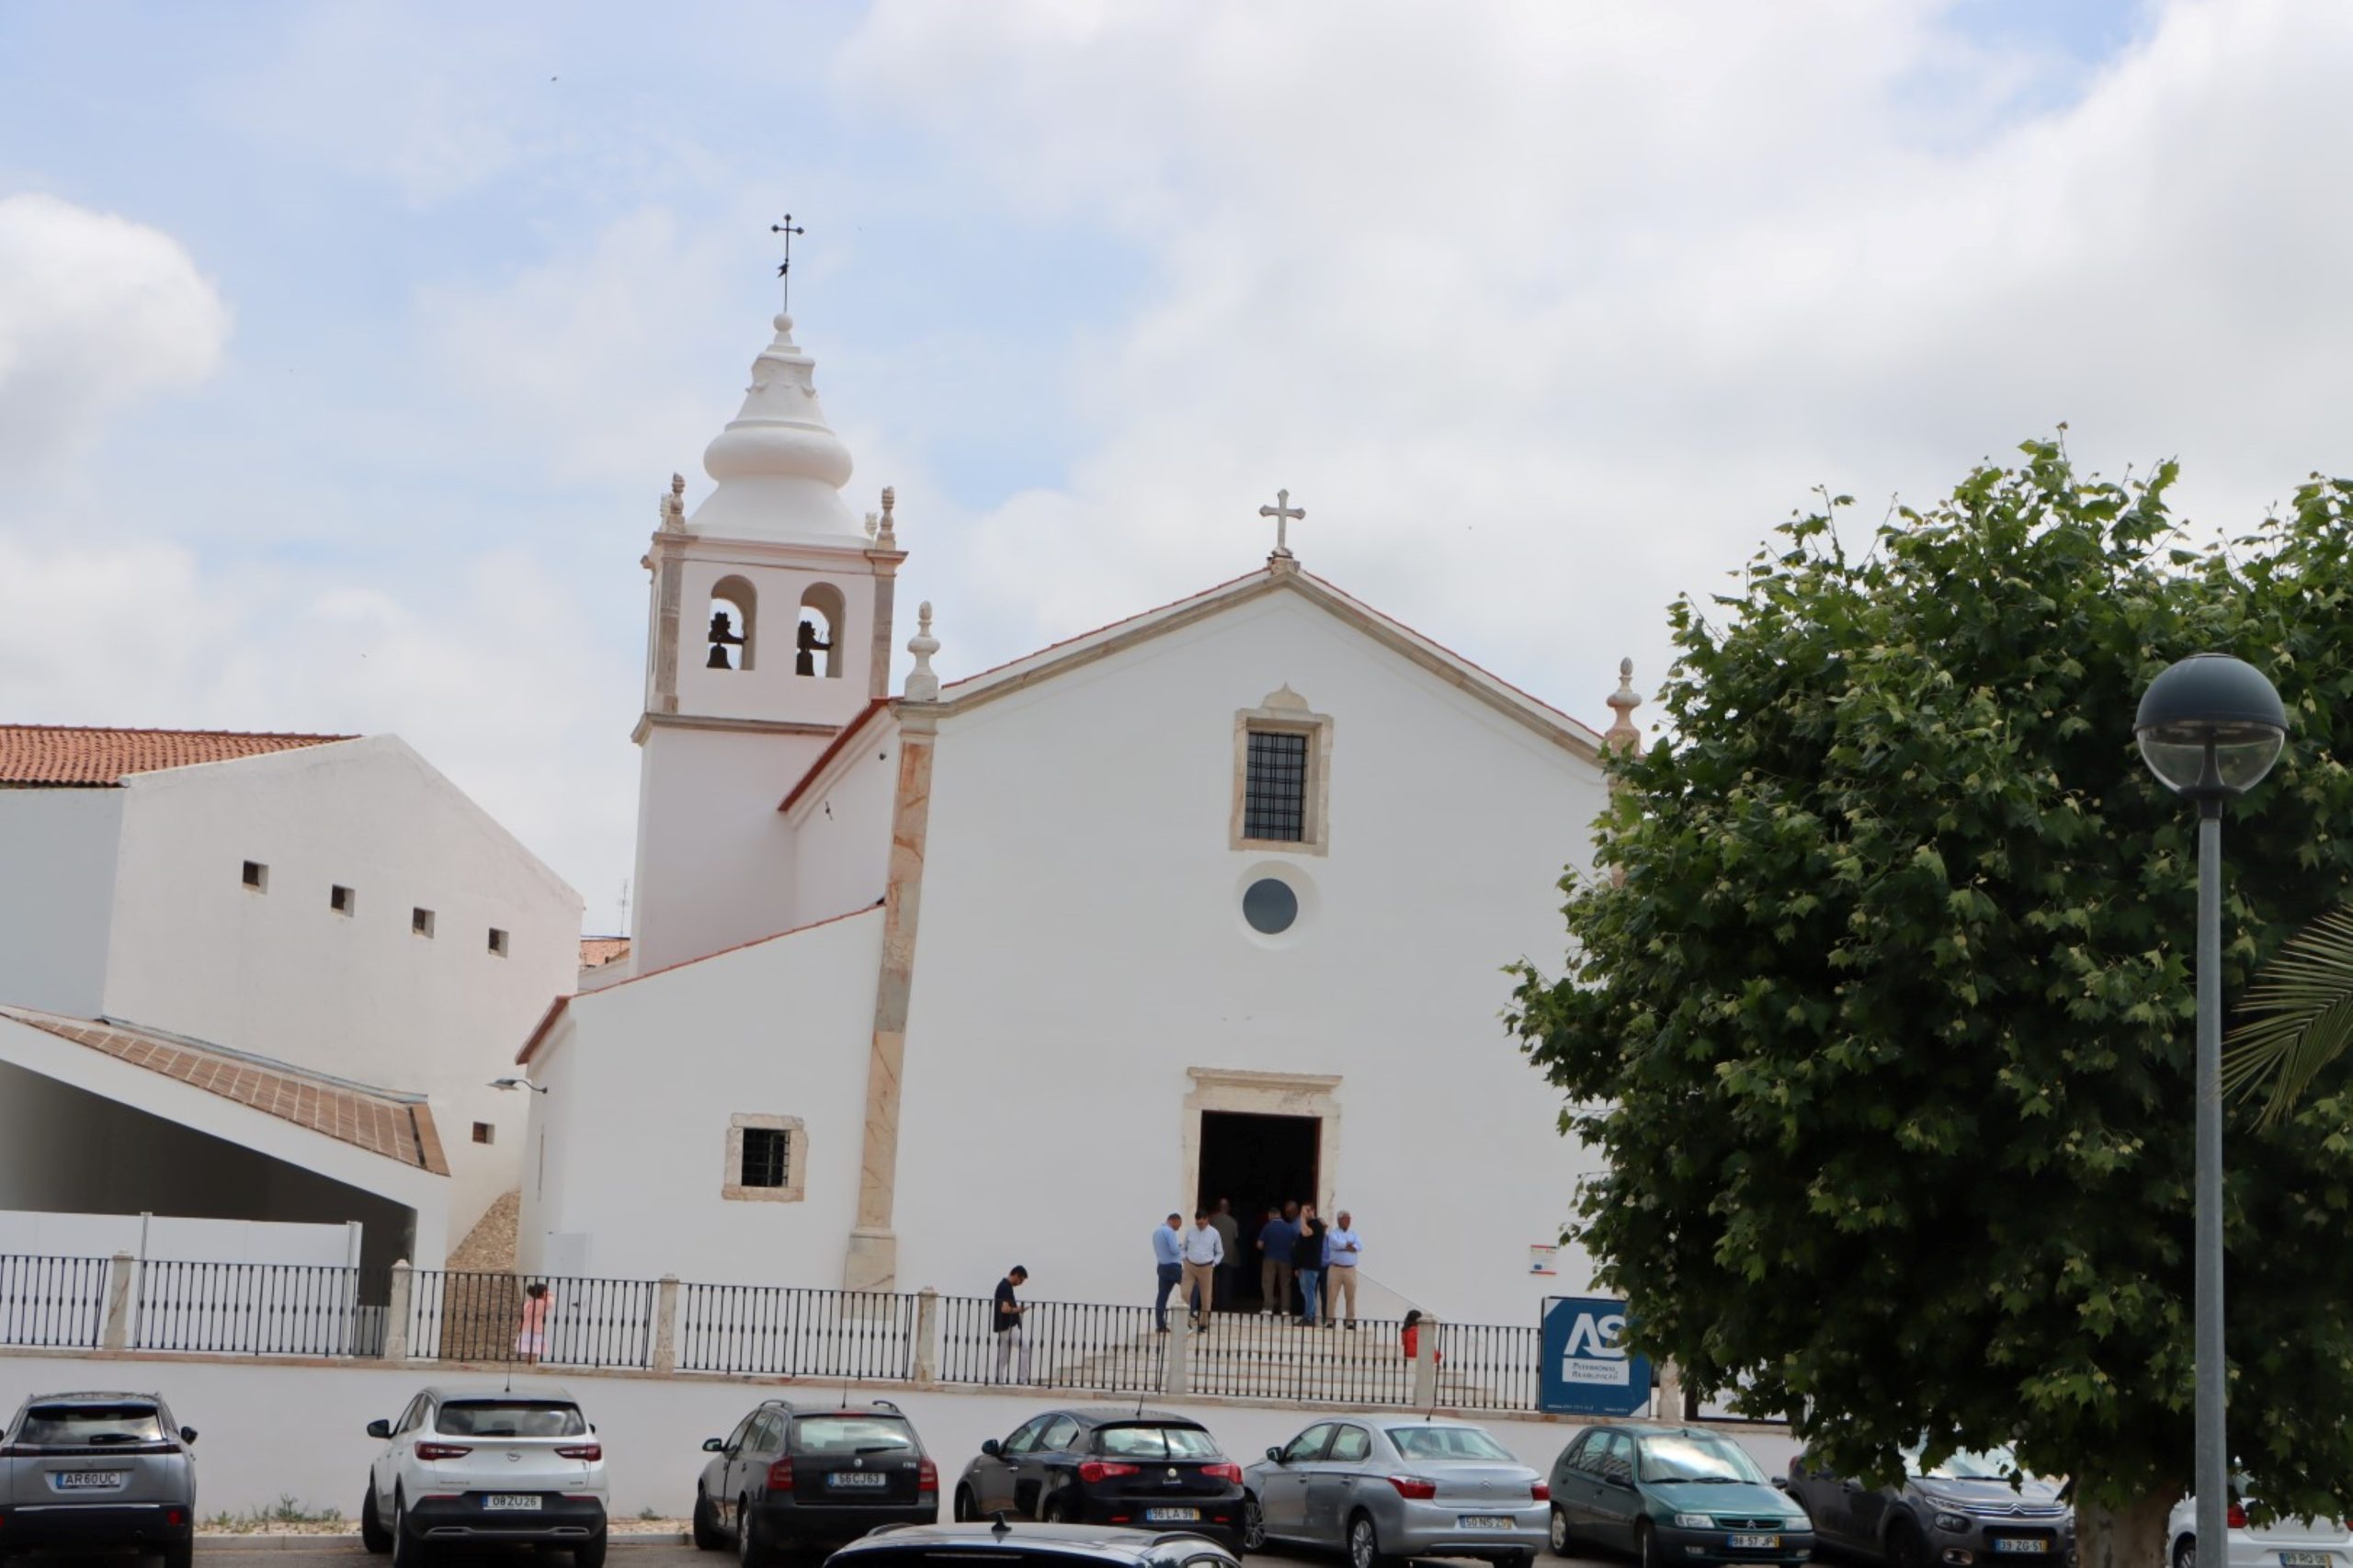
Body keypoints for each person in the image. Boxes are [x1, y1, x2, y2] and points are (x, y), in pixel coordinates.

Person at [1180, 1209, 1225, 1327]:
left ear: (1207, 1220)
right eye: (1197, 1223)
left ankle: (1203, 1324)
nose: (1199, 1225)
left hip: (1206, 1267)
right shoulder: (1190, 1231)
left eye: (1201, 1223)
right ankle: (1185, 1322)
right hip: (1190, 1266)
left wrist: (1214, 1263)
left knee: (1206, 1298)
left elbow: (1220, 1252)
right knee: (1185, 1293)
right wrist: (1184, 1259)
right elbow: (1183, 1248)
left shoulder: (1214, 1233)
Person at [1290, 1203, 1327, 1328]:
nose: (1305, 1212)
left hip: (1310, 1266)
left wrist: (1301, 1217)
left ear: (1313, 1211)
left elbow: (1306, 1233)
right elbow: (1301, 1246)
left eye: (1307, 1210)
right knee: (1306, 1292)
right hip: (1304, 1266)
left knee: (1309, 1291)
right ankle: (1309, 1315)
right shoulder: (1308, 1224)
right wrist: (1298, 1266)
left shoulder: (1316, 1224)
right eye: (1304, 1210)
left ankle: (1309, 1318)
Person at [1257, 1203, 1298, 1318]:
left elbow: (1259, 1244)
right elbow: (1295, 1244)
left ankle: (1268, 1308)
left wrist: (1267, 1247)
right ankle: (1285, 1310)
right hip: (1286, 1259)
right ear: (1280, 1215)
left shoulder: (1267, 1227)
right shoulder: (1289, 1227)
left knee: (1268, 1283)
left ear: (1271, 1215)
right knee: (1285, 1284)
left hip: (1269, 1258)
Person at [993, 1266, 1031, 1382]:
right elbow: (1004, 1309)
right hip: (1008, 1327)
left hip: (1003, 1327)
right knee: (1025, 1348)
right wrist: (1019, 1310)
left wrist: (1018, 1311)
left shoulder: (1005, 1286)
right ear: (1016, 1275)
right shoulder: (1005, 1287)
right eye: (1021, 1280)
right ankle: (1022, 1379)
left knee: (1003, 1358)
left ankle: (998, 1381)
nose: (1021, 1283)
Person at [1325, 1210, 1362, 1329]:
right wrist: (1349, 1246)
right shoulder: (1333, 1233)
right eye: (1345, 1219)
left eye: (1349, 1219)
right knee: (1332, 1295)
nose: (1348, 1221)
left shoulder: (1354, 1234)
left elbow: (1359, 1246)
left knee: (1351, 1296)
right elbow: (1335, 1244)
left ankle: (1350, 1322)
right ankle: (1330, 1321)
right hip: (1335, 1268)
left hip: (1350, 1269)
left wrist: (1345, 1246)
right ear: (1339, 1220)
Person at [1152, 1214, 1184, 1333]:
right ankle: (1190, 1315)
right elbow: (1174, 1250)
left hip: (1162, 1266)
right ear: (1173, 1221)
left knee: (1162, 1296)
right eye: (1178, 1225)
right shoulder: (1169, 1232)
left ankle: (1161, 1325)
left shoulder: (1157, 1232)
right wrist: (1182, 1246)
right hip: (1173, 1267)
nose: (1179, 1228)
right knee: (1192, 1286)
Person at [1209, 1199, 1241, 1312]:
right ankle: (1224, 1306)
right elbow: (1235, 1238)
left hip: (1212, 1257)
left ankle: (1213, 1304)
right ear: (1227, 1208)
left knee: (1212, 1283)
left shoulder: (1211, 1219)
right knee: (1226, 1283)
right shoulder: (1233, 1221)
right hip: (1228, 1256)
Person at [515, 1280, 551, 1363]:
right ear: (543, 1293)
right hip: (537, 1329)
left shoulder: (529, 1303)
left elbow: (525, 1315)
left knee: (528, 1350)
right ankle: (531, 1365)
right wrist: (549, 1294)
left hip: (527, 1328)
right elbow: (551, 1302)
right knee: (535, 1351)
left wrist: (520, 1324)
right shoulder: (543, 1303)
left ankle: (528, 1363)